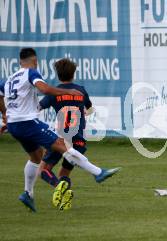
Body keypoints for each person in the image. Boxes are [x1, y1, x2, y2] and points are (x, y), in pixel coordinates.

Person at [0, 48, 120, 212]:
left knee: (37, 159)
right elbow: (45, 89)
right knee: (61, 145)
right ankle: (97, 172)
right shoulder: (33, 73)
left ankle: (28, 193)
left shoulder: (9, 79)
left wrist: (6, 115)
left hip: (15, 124)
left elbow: (9, 97)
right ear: (35, 61)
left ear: (20, 62)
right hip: (40, 126)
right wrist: (68, 92)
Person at [38, 58, 96, 210]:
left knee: (43, 170)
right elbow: (90, 109)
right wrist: (83, 111)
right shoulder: (81, 91)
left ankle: (59, 186)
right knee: (65, 172)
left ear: (57, 75)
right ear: (74, 74)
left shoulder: (54, 93)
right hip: (79, 141)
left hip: (61, 141)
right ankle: (65, 197)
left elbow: (38, 107)